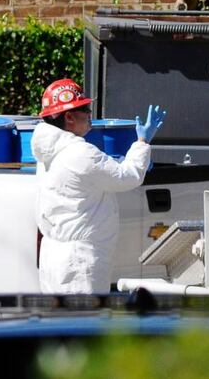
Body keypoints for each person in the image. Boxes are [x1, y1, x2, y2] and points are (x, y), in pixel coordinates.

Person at [31, 78, 167, 293]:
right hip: (79, 261)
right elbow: (127, 177)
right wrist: (142, 142)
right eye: (86, 109)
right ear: (69, 117)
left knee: (58, 323)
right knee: (84, 324)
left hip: (53, 257)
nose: (90, 116)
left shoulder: (48, 152)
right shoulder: (79, 153)